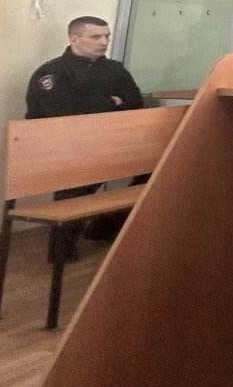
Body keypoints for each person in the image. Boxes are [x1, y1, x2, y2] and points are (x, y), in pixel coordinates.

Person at [24, 16, 145, 254]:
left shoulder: (114, 69)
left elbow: (134, 101)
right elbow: (65, 112)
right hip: (63, 147)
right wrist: (112, 102)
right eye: (96, 37)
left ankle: (104, 226)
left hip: (106, 143)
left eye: (107, 36)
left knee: (153, 172)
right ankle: (61, 249)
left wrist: (102, 105)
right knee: (79, 180)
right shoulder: (53, 72)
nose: (104, 42)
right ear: (74, 39)